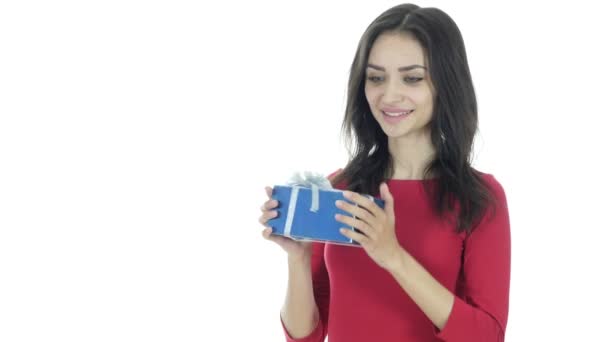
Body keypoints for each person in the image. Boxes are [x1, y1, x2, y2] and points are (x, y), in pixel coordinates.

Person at [259, 3, 511, 341]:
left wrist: (393, 256)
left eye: (412, 78)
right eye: (376, 77)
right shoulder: (341, 187)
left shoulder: (480, 198)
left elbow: (487, 336)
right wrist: (298, 259)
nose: (389, 95)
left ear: (446, 84)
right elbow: (307, 336)